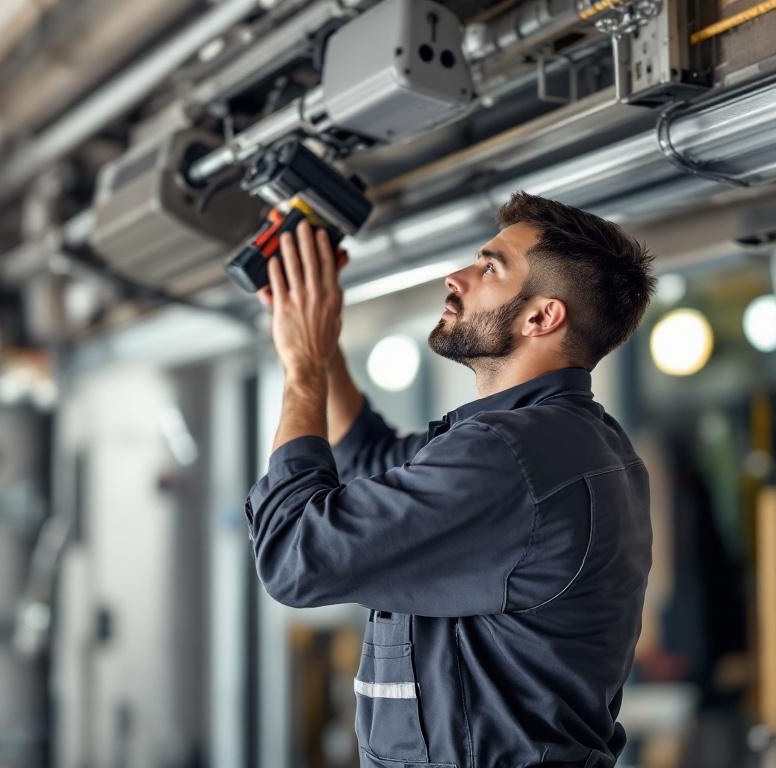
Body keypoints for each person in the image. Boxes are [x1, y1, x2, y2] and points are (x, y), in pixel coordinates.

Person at [245, 191, 657, 768]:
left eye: (489, 267)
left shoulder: (514, 456)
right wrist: (319, 332)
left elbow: (295, 556)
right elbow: (373, 457)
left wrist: (304, 368)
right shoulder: (563, 443)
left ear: (542, 316)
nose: (456, 276)